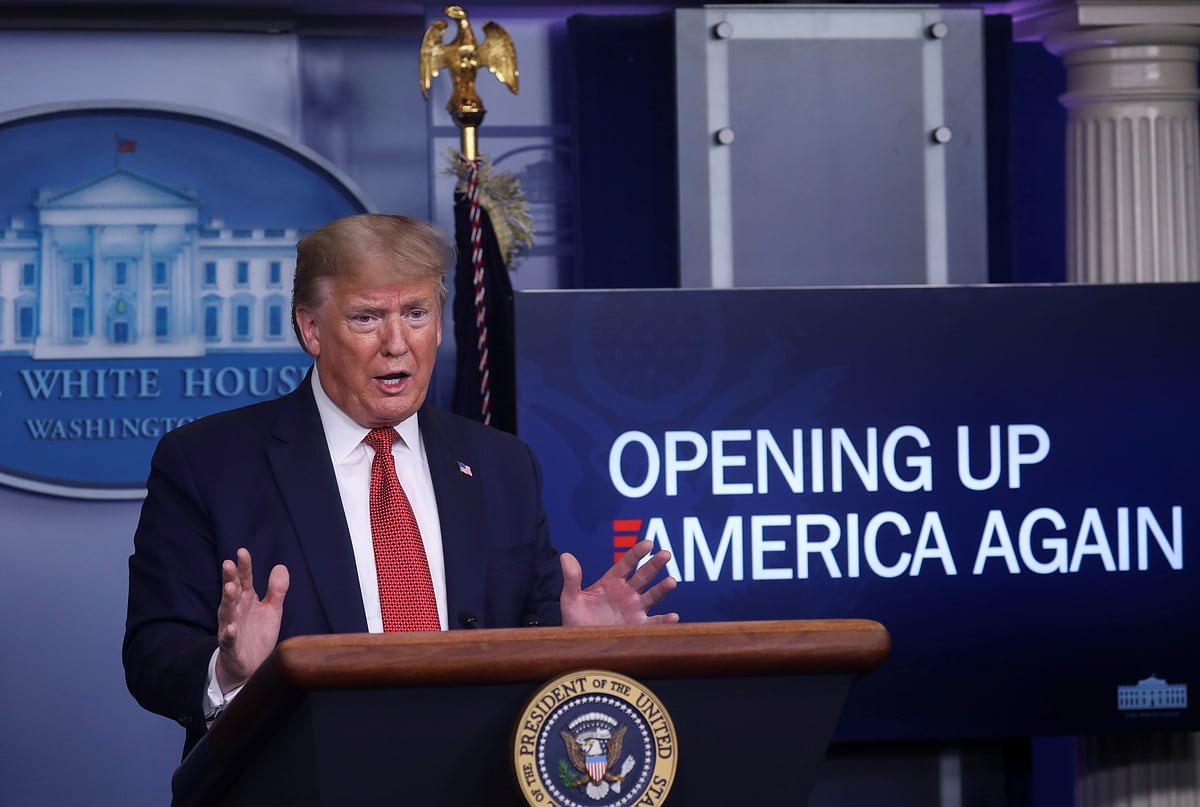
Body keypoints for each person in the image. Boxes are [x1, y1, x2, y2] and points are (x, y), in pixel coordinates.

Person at [122, 213, 678, 756]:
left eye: (416, 313)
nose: (396, 343)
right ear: (311, 329)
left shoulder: (502, 464)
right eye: (366, 318)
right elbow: (154, 652)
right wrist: (230, 670)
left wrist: (572, 646)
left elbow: (524, 628)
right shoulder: (208, 462)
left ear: (439, 324)